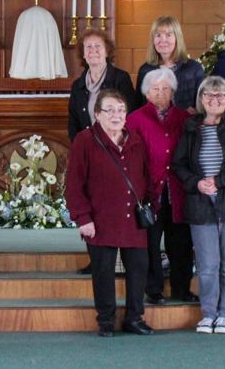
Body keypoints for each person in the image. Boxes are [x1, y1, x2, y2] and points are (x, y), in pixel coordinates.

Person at [65, 89, 157, 337]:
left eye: (121, 110)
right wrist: (83, 219)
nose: (116, 115)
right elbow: (73, 185)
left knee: (138, 269)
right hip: (100, 221)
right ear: (97, 114)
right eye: (110, 110)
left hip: (133, 222)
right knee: (103, 272)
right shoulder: (85, 141)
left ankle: (134, 318)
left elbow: (147, 178)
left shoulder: (136, 140)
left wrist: (151, 205)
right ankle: (106, 320)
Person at [171, 76, 225, 335]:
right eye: (208, 95)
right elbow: (178, 165)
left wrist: (220, 181)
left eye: (220, 95)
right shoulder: (190, 128)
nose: (214, 100)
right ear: (201, 100)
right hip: (200, 203)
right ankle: (208, 313)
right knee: (207, 266)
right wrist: (196, 183)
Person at [125, 67, 194, 305]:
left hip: (179, 190)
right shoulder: (134, 119)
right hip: (149, 191)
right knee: (150, 243)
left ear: (173, 90)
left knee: (181, 243)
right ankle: (153, 288)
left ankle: (182, 288)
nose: (161, 93)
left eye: (166, 88)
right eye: (155, 88)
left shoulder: (186, 119)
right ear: (146, 92)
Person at [69, 29, 140, 141]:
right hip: (87, 148)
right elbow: (73, 123)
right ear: (83, 54)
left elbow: (130, 115)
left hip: (115, 147)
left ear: (107, 52)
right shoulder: (77, 86)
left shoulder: (121, 79)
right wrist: (80, 147)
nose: (93, 50)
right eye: (88, 46)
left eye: (98, 46)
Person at [135, 16, 205, 113]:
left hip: (186, 126)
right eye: (158, 35)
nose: (162, 40)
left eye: (168, 35)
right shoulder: (145, 70)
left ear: (177, 39)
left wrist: (194, 113)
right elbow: (139, 106)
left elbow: (203, 105)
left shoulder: (194, 69)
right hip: (154, 126)